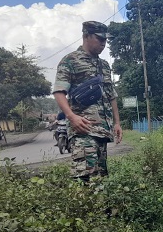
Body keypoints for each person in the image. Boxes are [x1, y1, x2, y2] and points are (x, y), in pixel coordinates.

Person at [52, 21, 122, 181]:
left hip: (102, 131)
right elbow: (59, 91)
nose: (104, 44)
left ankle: (103, 207)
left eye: (105, 40)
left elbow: (111, 95)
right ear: (86, 36)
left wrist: (117, 123)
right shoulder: (70, 61)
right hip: (82, 130)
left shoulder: (104, 65)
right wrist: (72, 117)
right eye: (99, 39)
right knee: (86, 178)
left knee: (101, 178)